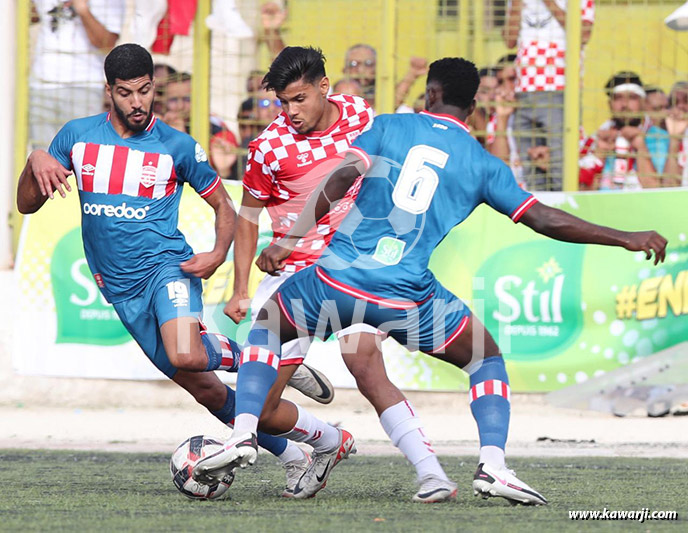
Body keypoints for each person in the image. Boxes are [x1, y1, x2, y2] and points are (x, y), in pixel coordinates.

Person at [194, 57, 668, 505]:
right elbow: (542, 218)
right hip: (407, 296)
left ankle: (243, 434)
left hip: (334, 280)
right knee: (485, 358)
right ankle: (492, 465)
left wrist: (288, 240)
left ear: (430, 94)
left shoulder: (389, 126)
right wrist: (625, 237)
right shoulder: (484, 164)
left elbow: (340, 178)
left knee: (269, 325)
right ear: (474, 107)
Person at [16, 43, 335, 498]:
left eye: (145, 91)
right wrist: (35, 159)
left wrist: (218, 252)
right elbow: (27, 204)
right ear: (109, 91)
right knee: (206, 392)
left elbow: (226, 206)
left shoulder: (177, 146)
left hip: (168, 267)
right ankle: (305, 448)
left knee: (186, 353)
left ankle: (254, 360)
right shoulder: (76, 137)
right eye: (126, 93)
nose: (137, 103)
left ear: (154, 88)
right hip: (120, 290)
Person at [222, 46, 456, 502]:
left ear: (324, 88)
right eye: (282, 102)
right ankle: (329, 442)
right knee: (263, 411)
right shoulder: (269, 148)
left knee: (364, 361)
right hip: (294, 275)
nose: (290, 112)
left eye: (299, 99)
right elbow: (248, 217)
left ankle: (432, 474)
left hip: (356, 263)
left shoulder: (359, 114)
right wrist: (240, 289)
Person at [504, 0, 595, 190]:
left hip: (560, 90)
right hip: (524, 91)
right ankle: (536, 214)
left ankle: (565, 211)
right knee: (531, 169)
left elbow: (583, 35)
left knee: (560, 168)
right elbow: (509, 41)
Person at [29, 0, 126, 150]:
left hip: (83, 85)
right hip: (41, 83)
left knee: (81, 155)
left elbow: (106, 44)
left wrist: (83, 10)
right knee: (42, 157)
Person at [578, 72, 664, 190]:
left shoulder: (661, 138)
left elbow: (659, 194)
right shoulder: (596, 139)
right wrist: (600, 155)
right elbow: (581, 195)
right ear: (609, 104)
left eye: (632, 98)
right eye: (618, 98)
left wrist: (641, 147)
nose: (624, 104)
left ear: (643, 102)